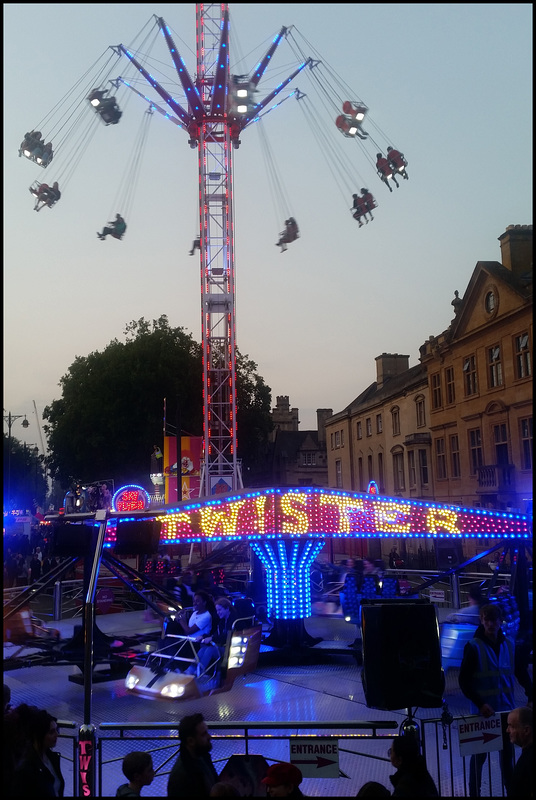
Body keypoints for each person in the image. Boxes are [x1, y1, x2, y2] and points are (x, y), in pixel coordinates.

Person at [459, 603, 516, 797]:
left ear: (500, 622)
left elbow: (517, 672)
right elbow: (463, 681)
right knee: (479, 758)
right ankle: (474, 793)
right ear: (482, 620)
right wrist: (480, 703)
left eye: (494, 620)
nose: (490, 624)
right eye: (486, 620)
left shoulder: (509, 645)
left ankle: (511, 791)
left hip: (505, 712)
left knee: (506, 757)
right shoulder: (473, 647)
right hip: (483, 714)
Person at [11, 707, 65, 797]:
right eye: (51, 732)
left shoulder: (51, 757)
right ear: (39, 735)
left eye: (56, 730)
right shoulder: (26, 768)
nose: (57, 735)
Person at [167, 713, 219, 796]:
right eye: (203, 734)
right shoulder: (180, 779)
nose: (209, 736)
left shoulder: (202, 755)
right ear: (191, 741)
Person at [187, 596, 237, 677]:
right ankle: (190, 670)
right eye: (217, 610)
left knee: (210, 650)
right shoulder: (222, 621)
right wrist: (203, 636)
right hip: (223, 646)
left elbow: (227, 636)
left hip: (230, 648)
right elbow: (216, 634)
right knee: (203, 649)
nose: (218, 612)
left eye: (220, 610)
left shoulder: (234, 622)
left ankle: (199, 672)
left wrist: (212, 638)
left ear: (227, 608)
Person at [506, 705, 533, 797]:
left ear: (526, 730)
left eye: (511, 726)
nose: (507, 730)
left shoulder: (529, 760)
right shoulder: (526, 755)